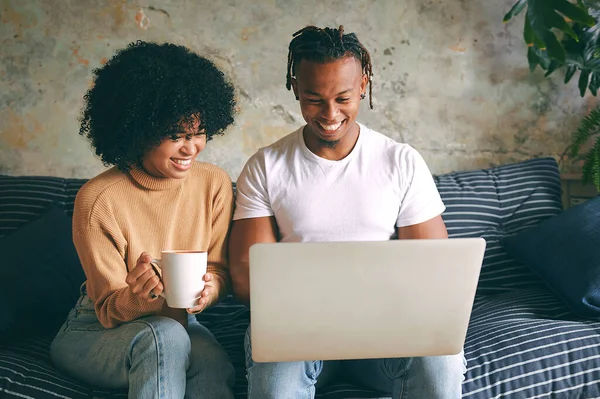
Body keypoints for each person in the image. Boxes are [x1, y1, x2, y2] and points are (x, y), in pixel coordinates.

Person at [229, 25, 466, 398]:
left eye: (342, 98)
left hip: (387, 336)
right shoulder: (266, 166)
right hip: (298, 333)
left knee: (442, 357)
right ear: (294, 87)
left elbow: (435, 275)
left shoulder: (399, 161)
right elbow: (244, 281)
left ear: (363, 85)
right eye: (313, 99)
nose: (329, 113)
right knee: (276, 374)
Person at [50, 41, 237, 398]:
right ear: (139, 130)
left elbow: (219, 269)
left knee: (213, 363)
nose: (190, 148)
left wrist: (210, 290)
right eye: (176, 135)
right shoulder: (98, 199)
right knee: (163, 337)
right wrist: (141, 296)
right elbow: (106, 309)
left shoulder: (213, 184)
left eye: (198, 133)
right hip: (95, 330)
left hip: (180, 321)